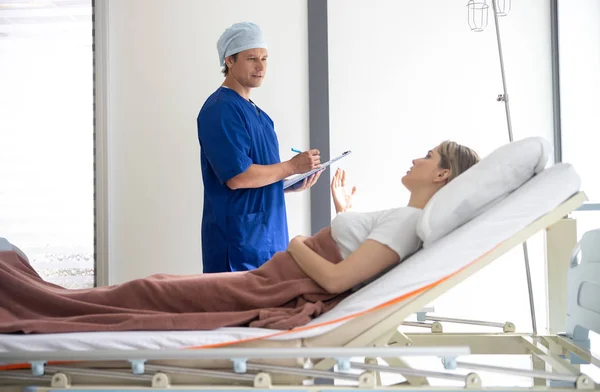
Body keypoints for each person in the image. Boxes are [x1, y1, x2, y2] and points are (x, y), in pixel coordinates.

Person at [1, 141, 480, 334]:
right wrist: (345, 213)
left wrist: (293, 243)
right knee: (153, 288)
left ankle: (22, 298)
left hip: (276, 282)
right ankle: (35, 297)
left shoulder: (404, 224)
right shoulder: (402, 219)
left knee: (147, 292)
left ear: (440, 175)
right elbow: (360, 256)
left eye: (427, 155)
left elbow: (336, 281)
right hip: (273, 276)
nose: (416, 158)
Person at [197, 22, 322, 273]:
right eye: (252, 58)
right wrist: (289, 167)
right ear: (229, 60)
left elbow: (259, 175)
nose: (261, 66)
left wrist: (287, 183)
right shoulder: (220, 109)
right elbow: (238, 176)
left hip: (268, 240)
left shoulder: (261, 116)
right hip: (238, 245)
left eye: (265, 58)